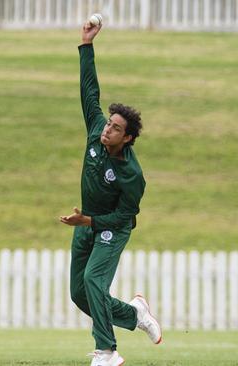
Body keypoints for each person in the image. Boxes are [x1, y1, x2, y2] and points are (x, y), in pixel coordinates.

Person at [59, 19, 162, 366]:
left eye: (116, 129)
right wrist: (86, 45)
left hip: (111, 229)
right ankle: (136, 315)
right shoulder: (95, 134)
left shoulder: (132, 174)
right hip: (86, 224)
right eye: (108, 124)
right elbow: (89, 91)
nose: (107, 130)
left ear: (128, 137)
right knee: (79, 293)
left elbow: (125, 216)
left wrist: (88, 220)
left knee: (93, 281)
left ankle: (107, 352)